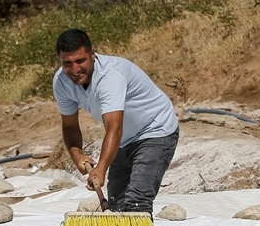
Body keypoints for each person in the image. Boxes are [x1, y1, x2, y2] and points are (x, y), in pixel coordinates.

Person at [52, 28, 179, 215]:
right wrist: (77, 154)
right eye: (67, 63)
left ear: (92, 54)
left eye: (80, 61)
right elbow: (70, 126)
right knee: (116, 205)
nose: (75, 70)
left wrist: (101, 167)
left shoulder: (110, 76)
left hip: (155, 131)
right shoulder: (61, 82)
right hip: (124, 140)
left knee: (137, 203)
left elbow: (114, 127)